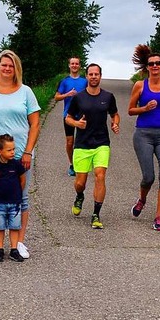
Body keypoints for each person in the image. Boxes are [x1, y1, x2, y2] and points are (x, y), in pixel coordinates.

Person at [0, 50, 40, 259]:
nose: (6, 69)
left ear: (16, 69)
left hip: (21, 154)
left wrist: (28, 151)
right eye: (3, 65)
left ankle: (18, 242)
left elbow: (35, 123)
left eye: (11, 66)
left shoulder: (26, 92)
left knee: (20, 198)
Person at [128, 45, 160, 231]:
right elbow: (130, 110)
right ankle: (142, 200)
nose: (155, 66)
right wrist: (144, 108)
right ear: (147, 67)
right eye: (151, 64)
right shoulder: (140, 85)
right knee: (148, 177)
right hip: (144, 134)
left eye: (158, 63)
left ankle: (158, 217)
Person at [65, 64, 120, 229]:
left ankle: (96, 214)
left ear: (100, 76)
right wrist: (76, 124)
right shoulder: (79, 98)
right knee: (80, 183)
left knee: (100, 175)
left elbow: (115, 114)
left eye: (96, 74)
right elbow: (68, 118)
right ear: (87, 76)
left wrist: (115, 123)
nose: (94, 77)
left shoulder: (108, 96)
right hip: (82, 144)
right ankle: (79, 196)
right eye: (91, 74)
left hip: (102, 143)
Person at [0, 134, 26, 262]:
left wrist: (17, 192)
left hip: (14, 202)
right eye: (9, 150)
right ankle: (0, 249)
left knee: (15, 226)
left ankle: (14, 249)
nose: (13, 152)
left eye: (13, 149)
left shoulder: (16, 165)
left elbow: (22, 179)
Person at [54, 56, 88, 176]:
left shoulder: (85, 81)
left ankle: (81, 164)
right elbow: (57, 97)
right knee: (70, 142)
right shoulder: (65, 81)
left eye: (76, 64)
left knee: (82, 140)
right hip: (68, 115)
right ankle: (72, 164)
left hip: (82, 115)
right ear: (69, 65)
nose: (74, 65)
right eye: (72, 63)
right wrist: (68, 94)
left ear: (79, 66)